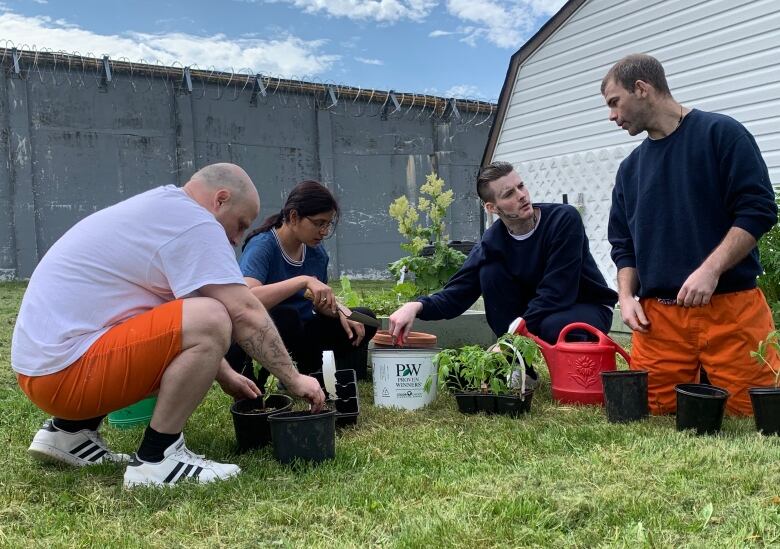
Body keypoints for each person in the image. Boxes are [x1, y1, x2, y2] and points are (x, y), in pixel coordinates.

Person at [11, 163, 325, 488]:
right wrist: (293, 378)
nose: (235, 239)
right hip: (63, 374)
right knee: (214, 315)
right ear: (220, 199)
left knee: (189, 314)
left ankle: (68, 434)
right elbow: (243, 310)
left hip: (45, 371)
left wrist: (227, 374)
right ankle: (157, 458)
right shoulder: (195, 222)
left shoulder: (163, 210)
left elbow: (173, 326)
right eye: (240, 225)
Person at [602, 53, 778, 415]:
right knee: (652, 412)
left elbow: (758, 209)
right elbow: (623, 245)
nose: (612, 116)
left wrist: (710, 270)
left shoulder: (722, 134)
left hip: (732, 310)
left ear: (641, 88)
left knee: (753, 412)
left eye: (614, 102)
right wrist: (626, 296)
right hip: (659, 320)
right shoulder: (629, 169)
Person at [388, 161, 618, 377]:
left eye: (520, 186)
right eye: (509, 194)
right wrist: (415, 306)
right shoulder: (493, 241)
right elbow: (458, 293)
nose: (522, 196)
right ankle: (519, 369)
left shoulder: (562, 220)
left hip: (586, 305)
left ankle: (578, 373)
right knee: (490, 272)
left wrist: (509, 340)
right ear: (492, 207)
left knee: (553, 325)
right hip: (537, 313)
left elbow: (556, 292)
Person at [226, 180, 377, 385]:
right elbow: (246, 298)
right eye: (318, 223)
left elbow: (316, 302)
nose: (324, 231)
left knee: (364, 319)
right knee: (287, 316)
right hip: (268, 331)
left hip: (304, 333)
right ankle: (267, 376)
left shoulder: (316, 252)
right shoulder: (263, 246)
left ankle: (316, 372)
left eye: (328, 224)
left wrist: (338, 310)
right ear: (294, 217)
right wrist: (302, 280)